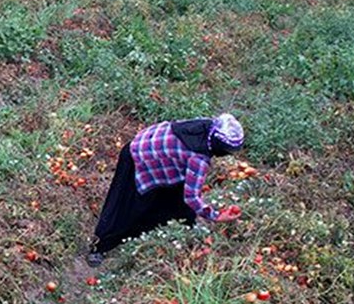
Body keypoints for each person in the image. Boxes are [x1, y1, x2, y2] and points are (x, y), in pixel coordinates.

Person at [86, 113, 245, 266]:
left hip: (160, 156)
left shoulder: (208, 125)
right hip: (137, 156)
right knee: (124, 207)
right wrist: (216, 216)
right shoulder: (199, 158)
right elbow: (191, 197)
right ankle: (99, 247)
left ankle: (180, 236)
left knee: (178, 206)